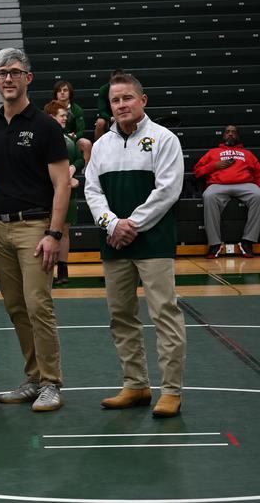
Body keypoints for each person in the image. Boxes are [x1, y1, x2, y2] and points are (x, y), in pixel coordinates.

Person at [85, 73, 186, 418]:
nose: (121, 105)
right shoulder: (101, 146)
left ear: (143, 100)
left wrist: (133, 224)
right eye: (115, 100)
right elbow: (92, 191)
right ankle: (136, 384)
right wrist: (113, 224)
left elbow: (168, 190)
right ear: (109, 106)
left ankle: (171, 390)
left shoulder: (164, 139)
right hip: (114, 243)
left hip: (154, 242)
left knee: (164, 314)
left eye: (128, 98)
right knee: (121, 316)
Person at [0, 48, 70, 412]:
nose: (8, 78)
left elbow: (62, 183)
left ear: (27, 79)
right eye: (2, 72)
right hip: (0, 230)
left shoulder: (45, 126)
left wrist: (54, 233)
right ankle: (33, 378)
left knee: (38, 305)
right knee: (16, 307)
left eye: (15, 72)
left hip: (36, 227)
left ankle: (52, 382)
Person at [193, 125, 259, 258]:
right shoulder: (213, 152)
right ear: (223, 135)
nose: (230, 134)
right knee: (209, 196)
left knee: (259, 195)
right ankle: (215, 244)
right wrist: (214, 166)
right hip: (218, 185)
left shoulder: (247, 154)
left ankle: (247, 241)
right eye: (228, 132)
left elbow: (258, 172)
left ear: (238, 136)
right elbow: (197, 172)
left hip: (245, 184)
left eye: (233, 132)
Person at [44, 100, 84, 285]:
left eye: (66, 117)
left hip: (68, 190)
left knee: (65, 230)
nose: (65, 120)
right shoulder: (42, 138)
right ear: (51, 116)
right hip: (47, 191)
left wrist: (73, 170)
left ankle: (63, 269)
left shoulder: (69, 139)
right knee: (47, 230)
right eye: (62, 116)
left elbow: (79, 159)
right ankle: (46, 271)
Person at [51, 80, 93, 162]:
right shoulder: (50, 108)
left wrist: (74, 136)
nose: (62, 93)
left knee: (86, 143)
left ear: (70, 93)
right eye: (59, 91)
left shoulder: (77, 109)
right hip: (54, 139)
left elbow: (81, 130)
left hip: (73, 139)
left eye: (65, 90)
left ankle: (86, 172)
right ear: (56, 94)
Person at [94, 69, 124, 141]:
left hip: (123, 113)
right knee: (100, 122)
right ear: (111, 80)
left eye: (120, 80)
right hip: (109, 117)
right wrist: (111, 118)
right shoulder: (104, 89)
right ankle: (99, 147)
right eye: (116, 80)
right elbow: (101, 111)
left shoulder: (127, 89)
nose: (117, 83)